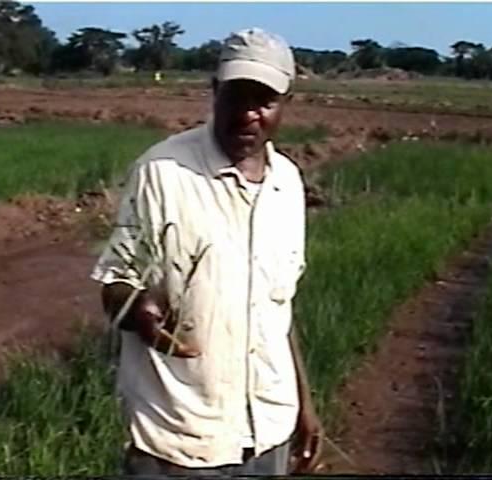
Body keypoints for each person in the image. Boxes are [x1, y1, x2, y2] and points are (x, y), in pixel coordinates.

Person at [91, 27, 323, 476]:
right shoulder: (161, 174)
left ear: (284, 104)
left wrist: (304, 406)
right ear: (215, 92)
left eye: (264, 102)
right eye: (236, 97)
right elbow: (116, 281)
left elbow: (278, 310)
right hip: (179, 438)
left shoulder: (287, 184)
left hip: (269, 431)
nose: (248, 115)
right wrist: (136, 309)